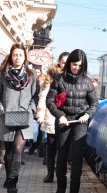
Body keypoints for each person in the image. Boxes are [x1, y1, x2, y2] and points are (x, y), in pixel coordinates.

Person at [46, 49, 98, 193]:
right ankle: (61, 188)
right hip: (63, 121)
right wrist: (60, 115)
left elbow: (94, 103)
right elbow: (50, 101)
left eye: (80, 65)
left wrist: (87, 115)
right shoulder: (59, 80)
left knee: (76, 157)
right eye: (74, 64)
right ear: (69, 63)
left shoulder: (87, 82)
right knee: (61, 155)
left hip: (80, 123)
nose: (76, 68)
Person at [0, 44, 38, 193]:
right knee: (9, 151)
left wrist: (31, 110)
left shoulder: (31, 75)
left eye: (20, 55)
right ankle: (8, 177)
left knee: (18, 149)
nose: (17, 57)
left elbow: (35, 96)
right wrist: (1, 111)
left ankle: (13, 183)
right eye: (15, 55)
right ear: (11, 57)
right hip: (7, 117)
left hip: (25, 118)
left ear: (25, 57)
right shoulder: (3, 75)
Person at [36, 52, 69, 183]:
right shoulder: (52, 77)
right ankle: (50, 173)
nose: (65, 64)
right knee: (51, 146)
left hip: (67, 117)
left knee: (64, 147)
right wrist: (40, 114)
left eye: (68, 61)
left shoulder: (73, 77)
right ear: (59, 62)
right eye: (63, 61)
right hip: (51, 116)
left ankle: (61, 174)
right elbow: (43, 97)